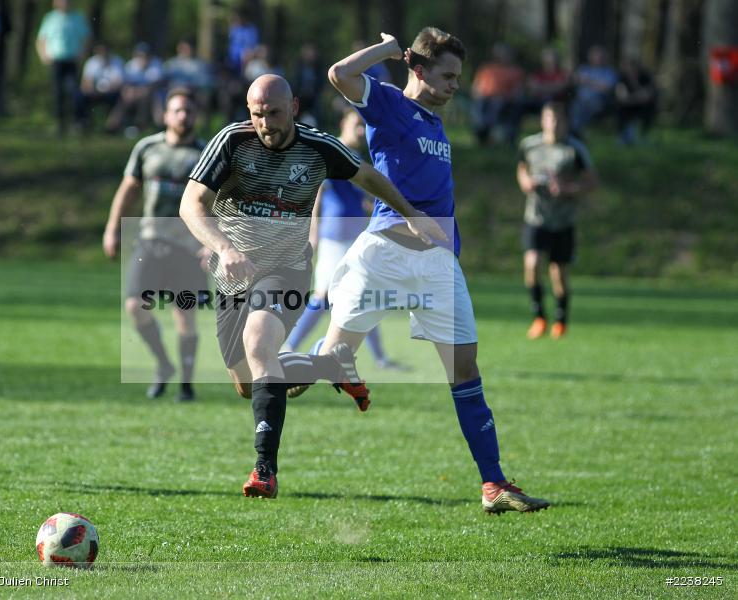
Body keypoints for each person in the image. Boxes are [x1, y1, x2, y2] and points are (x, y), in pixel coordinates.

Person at [179, 74, 445, 499]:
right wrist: (223, 247)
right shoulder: (231, 141)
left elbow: (367, 176)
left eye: (274, 113)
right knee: (247, 383)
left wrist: (410, 214)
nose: (265, 123)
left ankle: (264, 470)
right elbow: (191, 203)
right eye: (257, 114)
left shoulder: (318, 147)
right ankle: (328, 365)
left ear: (294, 108)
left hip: (286, 269)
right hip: (234, 273)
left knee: (259, 345)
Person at [326, 29, 551, 513]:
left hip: (437, 264)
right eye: (447, 75)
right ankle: (265, 395)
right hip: (388, 251)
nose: (455, 85)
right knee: (327, 360)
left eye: (458, 77)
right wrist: (387, 50)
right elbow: (340, 74)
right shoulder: (388, 103)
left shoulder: (434, 123)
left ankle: (494, 485)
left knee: (466, 370)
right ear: (419, 69)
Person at [283, 107, 407, 373]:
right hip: (334, 235)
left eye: (364, 126)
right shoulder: (332, 152)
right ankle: (289, 347)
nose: (361, 131)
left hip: (356, 235)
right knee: (324, 295)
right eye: (356, 125)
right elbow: (315, 194)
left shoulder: (356, 157)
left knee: (364, 294)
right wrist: (312, 233)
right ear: (343, 123)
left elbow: (362, 196)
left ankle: (381, 358)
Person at [103, 88, 207, 402]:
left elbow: (221, 200)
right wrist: (112, 228)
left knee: (184, 314)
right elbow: (128, 188)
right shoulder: (147, 148)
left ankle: (186, 385)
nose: (183, 116)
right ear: (165, 115)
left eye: (188, 111)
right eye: (177, 110)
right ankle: (163, 363)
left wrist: (212, 243)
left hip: (188, 245)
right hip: (150, 240)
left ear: (196, 116)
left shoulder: (206, 153)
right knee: (135, 306)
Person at [516, 102, 598, 340]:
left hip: (563, 220)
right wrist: (525, 182)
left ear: (566, 122)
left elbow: (592, 182)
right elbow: (521, 168)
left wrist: (567, 189)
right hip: (536, 216)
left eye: (559, 120)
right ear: (543, 121)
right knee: (532, 263)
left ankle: (561, 320)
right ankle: (539, 317)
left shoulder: (575, 150)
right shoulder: (529, 145)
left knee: (558, 273)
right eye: (550, 119)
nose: (554, 124)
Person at [35, 0, 91, 135]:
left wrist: (82, 54)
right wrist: (44, 56)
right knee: (57, 92)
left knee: (73, 90)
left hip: (72, 60)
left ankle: (78, 122)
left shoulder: (77, 18)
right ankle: (60, 123)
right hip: (56, 60)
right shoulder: (50, 18)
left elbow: (86, 38)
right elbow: (41, 39)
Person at [470, 42, 525, 146]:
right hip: (484, 99)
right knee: (479, 104)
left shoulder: (514, 71)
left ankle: (487, 130)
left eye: (504, 54)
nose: (501, 56)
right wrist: (478, 94)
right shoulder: (486, 69)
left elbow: (517, 91)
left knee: (496, 103)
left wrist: (505, 96)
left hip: (504, 100)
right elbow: (476, 87)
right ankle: (481, 130)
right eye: (499, 53)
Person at [569, 45, 618, 137]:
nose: (596, 58)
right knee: (576, 106)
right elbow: (574, 81)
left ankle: (579, 131)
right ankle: (575, 131)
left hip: (600, 101)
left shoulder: (609, 71)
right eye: (594, 55)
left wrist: (588, 81)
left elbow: (608, 87)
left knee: (588, 106)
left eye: (599, 55)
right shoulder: (584, 68)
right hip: (580, 100)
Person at [614, 56, 656, 145]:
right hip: (627, 107)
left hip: (642, 106)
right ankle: (622, 136)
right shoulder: (621, 78)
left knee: (650, 107)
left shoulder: (645, 77)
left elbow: (648, 96)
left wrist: (632, 95)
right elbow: (621, 97)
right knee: (620, 108)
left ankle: (643, 135)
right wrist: (638, 97)